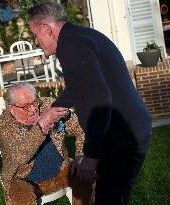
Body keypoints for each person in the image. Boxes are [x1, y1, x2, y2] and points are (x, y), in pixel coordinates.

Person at [27, 2, 152, 205]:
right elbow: (80, 87)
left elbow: (98, 98)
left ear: (46, 28)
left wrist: (91, 155)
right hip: (128, 130)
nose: (35, 41)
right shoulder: (79, 37)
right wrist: (52, 111)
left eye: (35, 34)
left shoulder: (71, 46)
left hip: (122, 137)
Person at [0, 83, 93, 205]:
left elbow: (81, 128)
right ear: (11, 108)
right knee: (20, 198)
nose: (33, 109)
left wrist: (80, 155)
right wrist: (42, 124)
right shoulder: (2, 126)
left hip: (61, 170)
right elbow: (20, 156)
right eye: (25, 107)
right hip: (24, 179)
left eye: (35, 103)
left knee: (87, 173)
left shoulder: (48, 105)